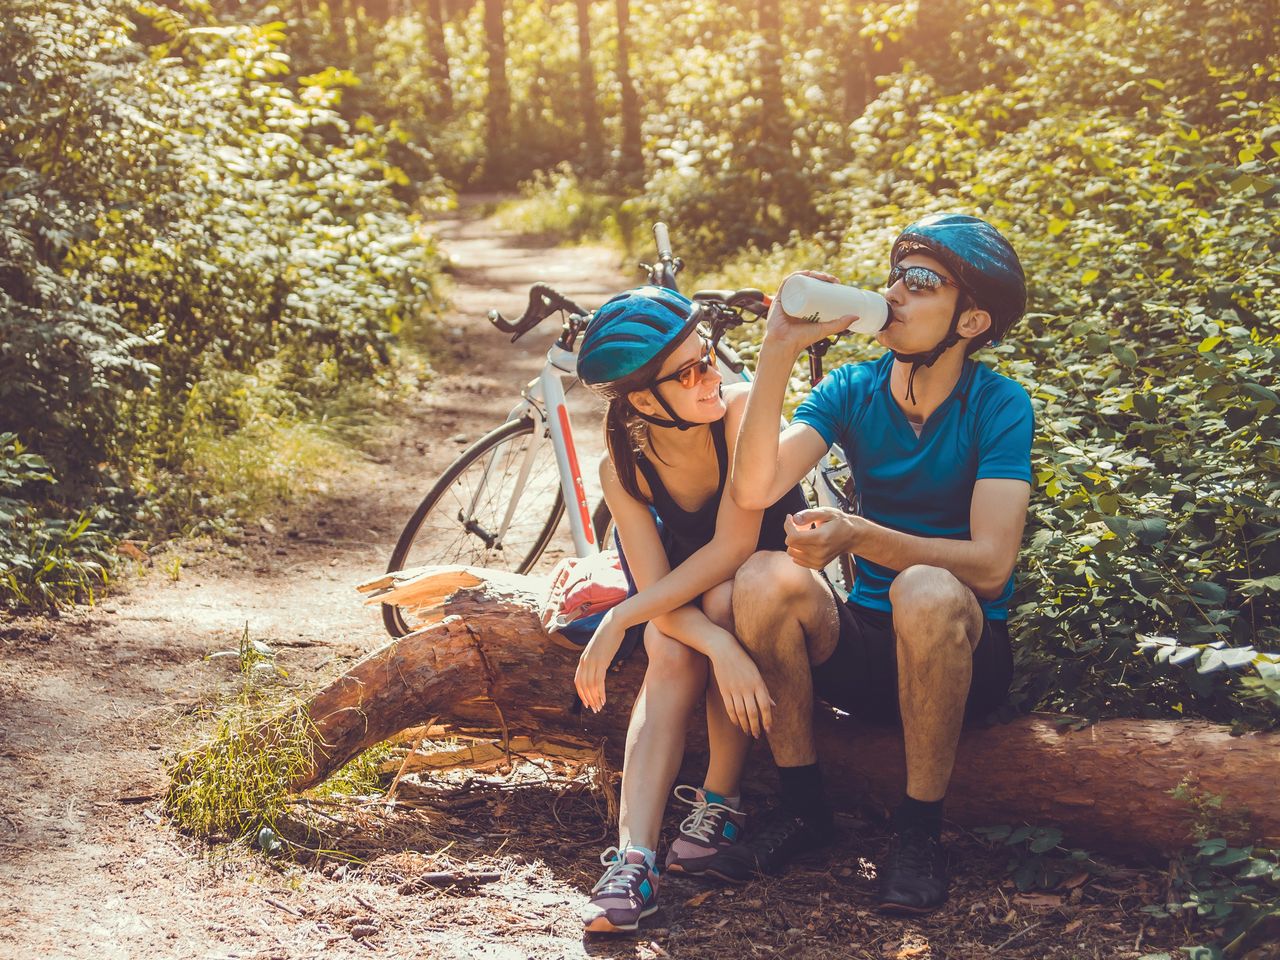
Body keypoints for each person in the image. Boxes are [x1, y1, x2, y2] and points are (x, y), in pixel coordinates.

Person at [716, 214, 1033, 914]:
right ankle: (803, 809)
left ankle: (920, 833)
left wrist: (858, 535)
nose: (895, 293)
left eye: (921, 283)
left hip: (964, 651)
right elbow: (754, 489)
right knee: (762, 578)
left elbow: (988, 566)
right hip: (869, 645)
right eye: (895, 276)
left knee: (925, 589)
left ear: (972, 319)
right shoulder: (854, 388)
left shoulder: (999, 404)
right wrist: (778, 347)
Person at [571, 286, 807, 934]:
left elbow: (734, 546)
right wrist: (711, 646)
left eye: (708, 357)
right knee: (670, 645)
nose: (714, 376)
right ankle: (634, 858)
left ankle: (719, 800)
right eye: (691, 370)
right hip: (691, 602)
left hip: (766, 587)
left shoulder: (735, 414)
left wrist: (623, 617)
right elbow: (661, 599)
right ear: (645, 400)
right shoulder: (623, 462)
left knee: (723, 601)